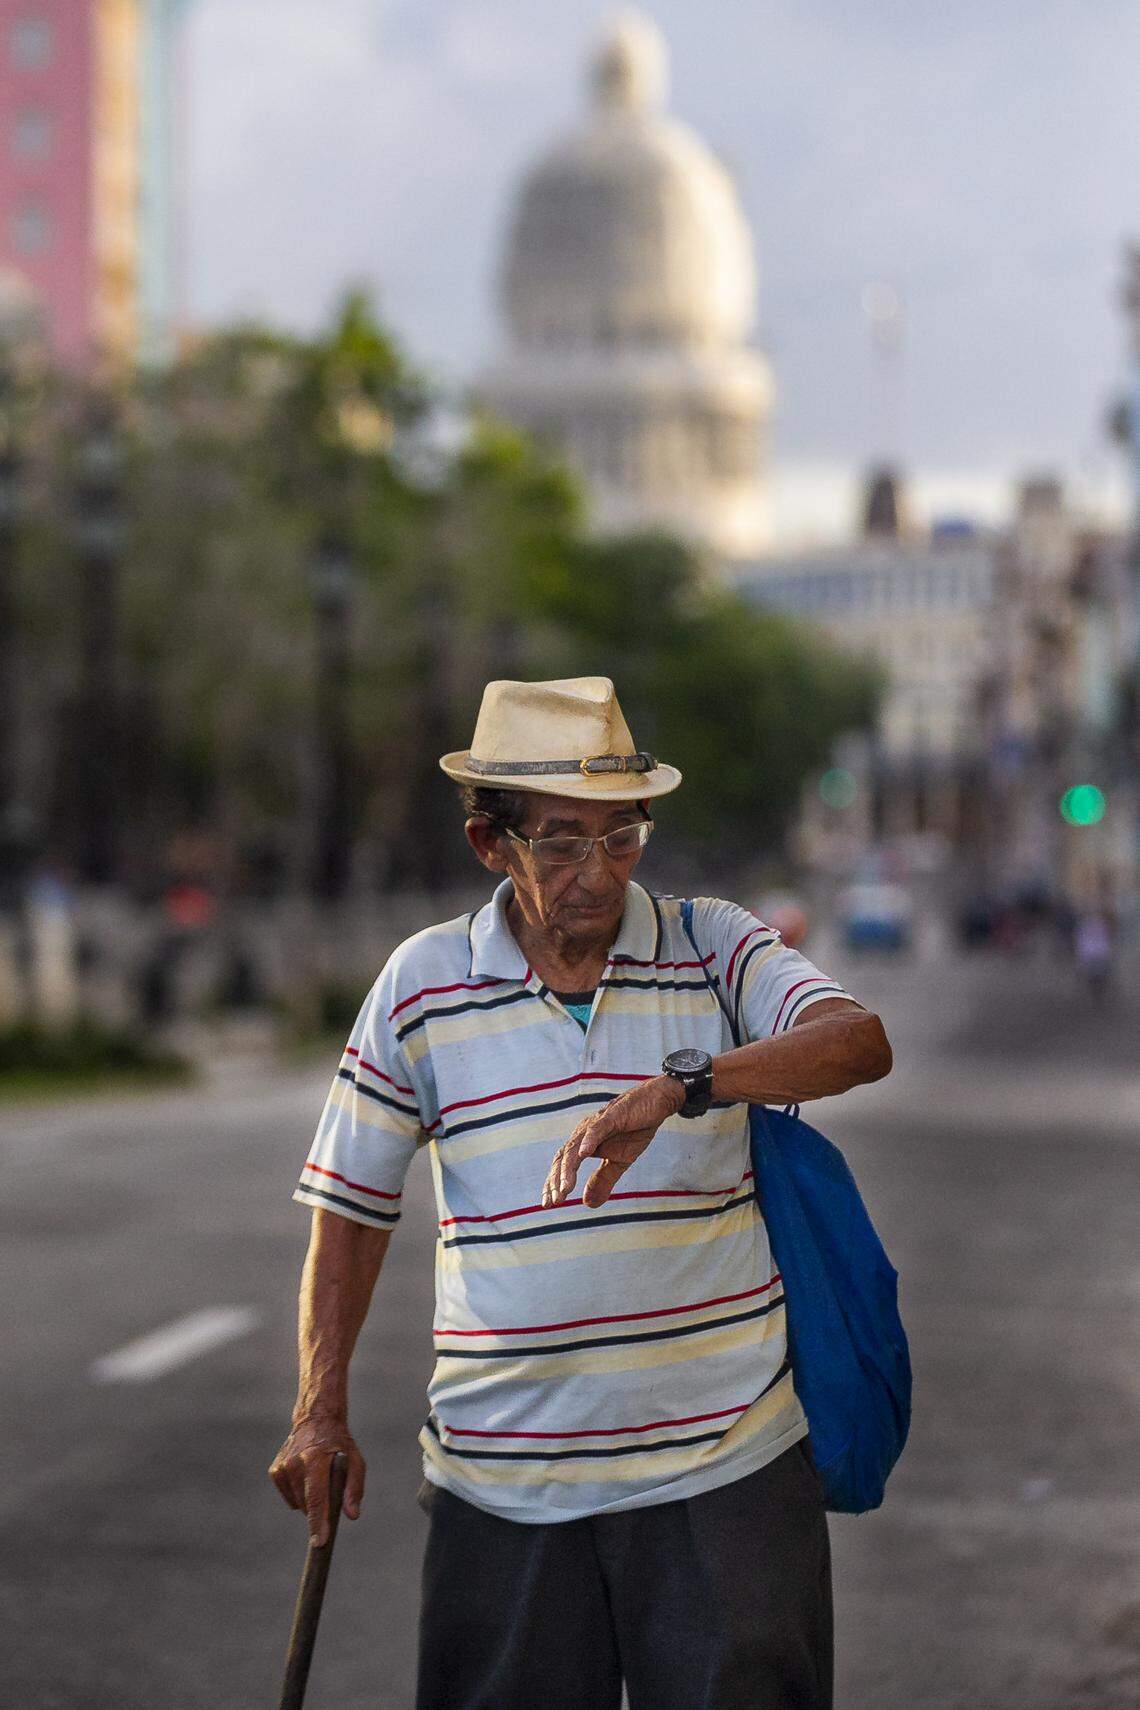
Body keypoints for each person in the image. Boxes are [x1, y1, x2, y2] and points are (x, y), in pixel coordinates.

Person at [270, 676, 893, 1710]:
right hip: (501, 1485)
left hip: (725, 1471)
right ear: (490, 844)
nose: (598, 872)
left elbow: (856, 1044)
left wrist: (686, 1084)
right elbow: (350, 1208)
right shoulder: (420, 988)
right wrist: (317, 1409)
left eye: (622, 837)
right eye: (561, 841)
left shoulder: (714, 945)